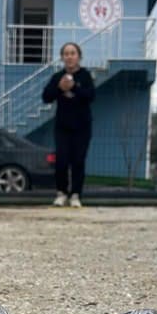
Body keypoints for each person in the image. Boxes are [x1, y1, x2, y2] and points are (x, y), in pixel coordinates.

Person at [41, 42, 95, 208]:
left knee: (78, 160)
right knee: (62, 160)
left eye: (73, 53)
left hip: (82, 126)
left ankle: (76, 194)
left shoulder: (85, 75)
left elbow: (90, 96)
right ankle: (61, 193)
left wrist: (74, 87)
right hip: (62, 126)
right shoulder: (58, 76)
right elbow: (46, 97)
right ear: (62, 57)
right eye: (66, 54)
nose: (69, 57)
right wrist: (59, 88)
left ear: (79, 56)